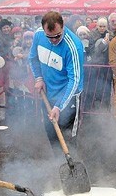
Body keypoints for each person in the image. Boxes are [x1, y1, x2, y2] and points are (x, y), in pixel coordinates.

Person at [29, 11, 84, 151]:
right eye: (50, 37)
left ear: (63, 26)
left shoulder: (73, 46)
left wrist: (59, 106)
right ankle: (56, 162)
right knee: (51, 131)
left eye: (57, 36)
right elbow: (33, 58)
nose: (54, 40)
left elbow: (75, 79)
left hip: (68, 96)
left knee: (67, 135)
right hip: (48, 92)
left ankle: (72, 162)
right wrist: (39, 78)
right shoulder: (39, 35)